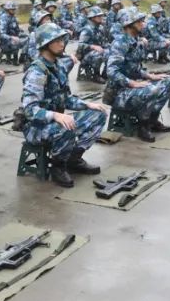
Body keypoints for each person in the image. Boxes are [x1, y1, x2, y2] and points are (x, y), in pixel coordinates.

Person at [21, 23, 108, 187]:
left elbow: (66, 99)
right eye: (56, 40)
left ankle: (73, 159)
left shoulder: (58, 66)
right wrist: (56, 115)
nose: (62, 44)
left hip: (56, 121)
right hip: (35, 127)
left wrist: (87, 105)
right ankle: (58, 167)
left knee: (99, 114)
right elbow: (29, 110)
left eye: (62, 39)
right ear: (45, 44)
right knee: (66, 125)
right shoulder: (36, 71)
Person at [105, 9, 170, 142]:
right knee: (151, 89)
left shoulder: (136, 41)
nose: (144, 23)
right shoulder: (120, 43)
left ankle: (152, 121)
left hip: (132, 87)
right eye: (140, 21)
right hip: (119, 92)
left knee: (168, 81)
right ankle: (143, 126)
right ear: (130, 24)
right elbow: (111, 71)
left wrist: (149, 76)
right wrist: (133, 83)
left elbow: (134, 69)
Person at [75, 6, 108, 78]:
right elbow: (80, 45)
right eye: (98, 16)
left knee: (113, 51)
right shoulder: (87, 29)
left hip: (95, 52)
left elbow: (103, 43)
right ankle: (96, 75)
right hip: (86, 55)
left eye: (101, 16)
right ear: (92, 17)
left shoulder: (100, 28)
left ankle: (105, 74)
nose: (101, 17)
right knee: (98, 54)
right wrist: (93, 46)